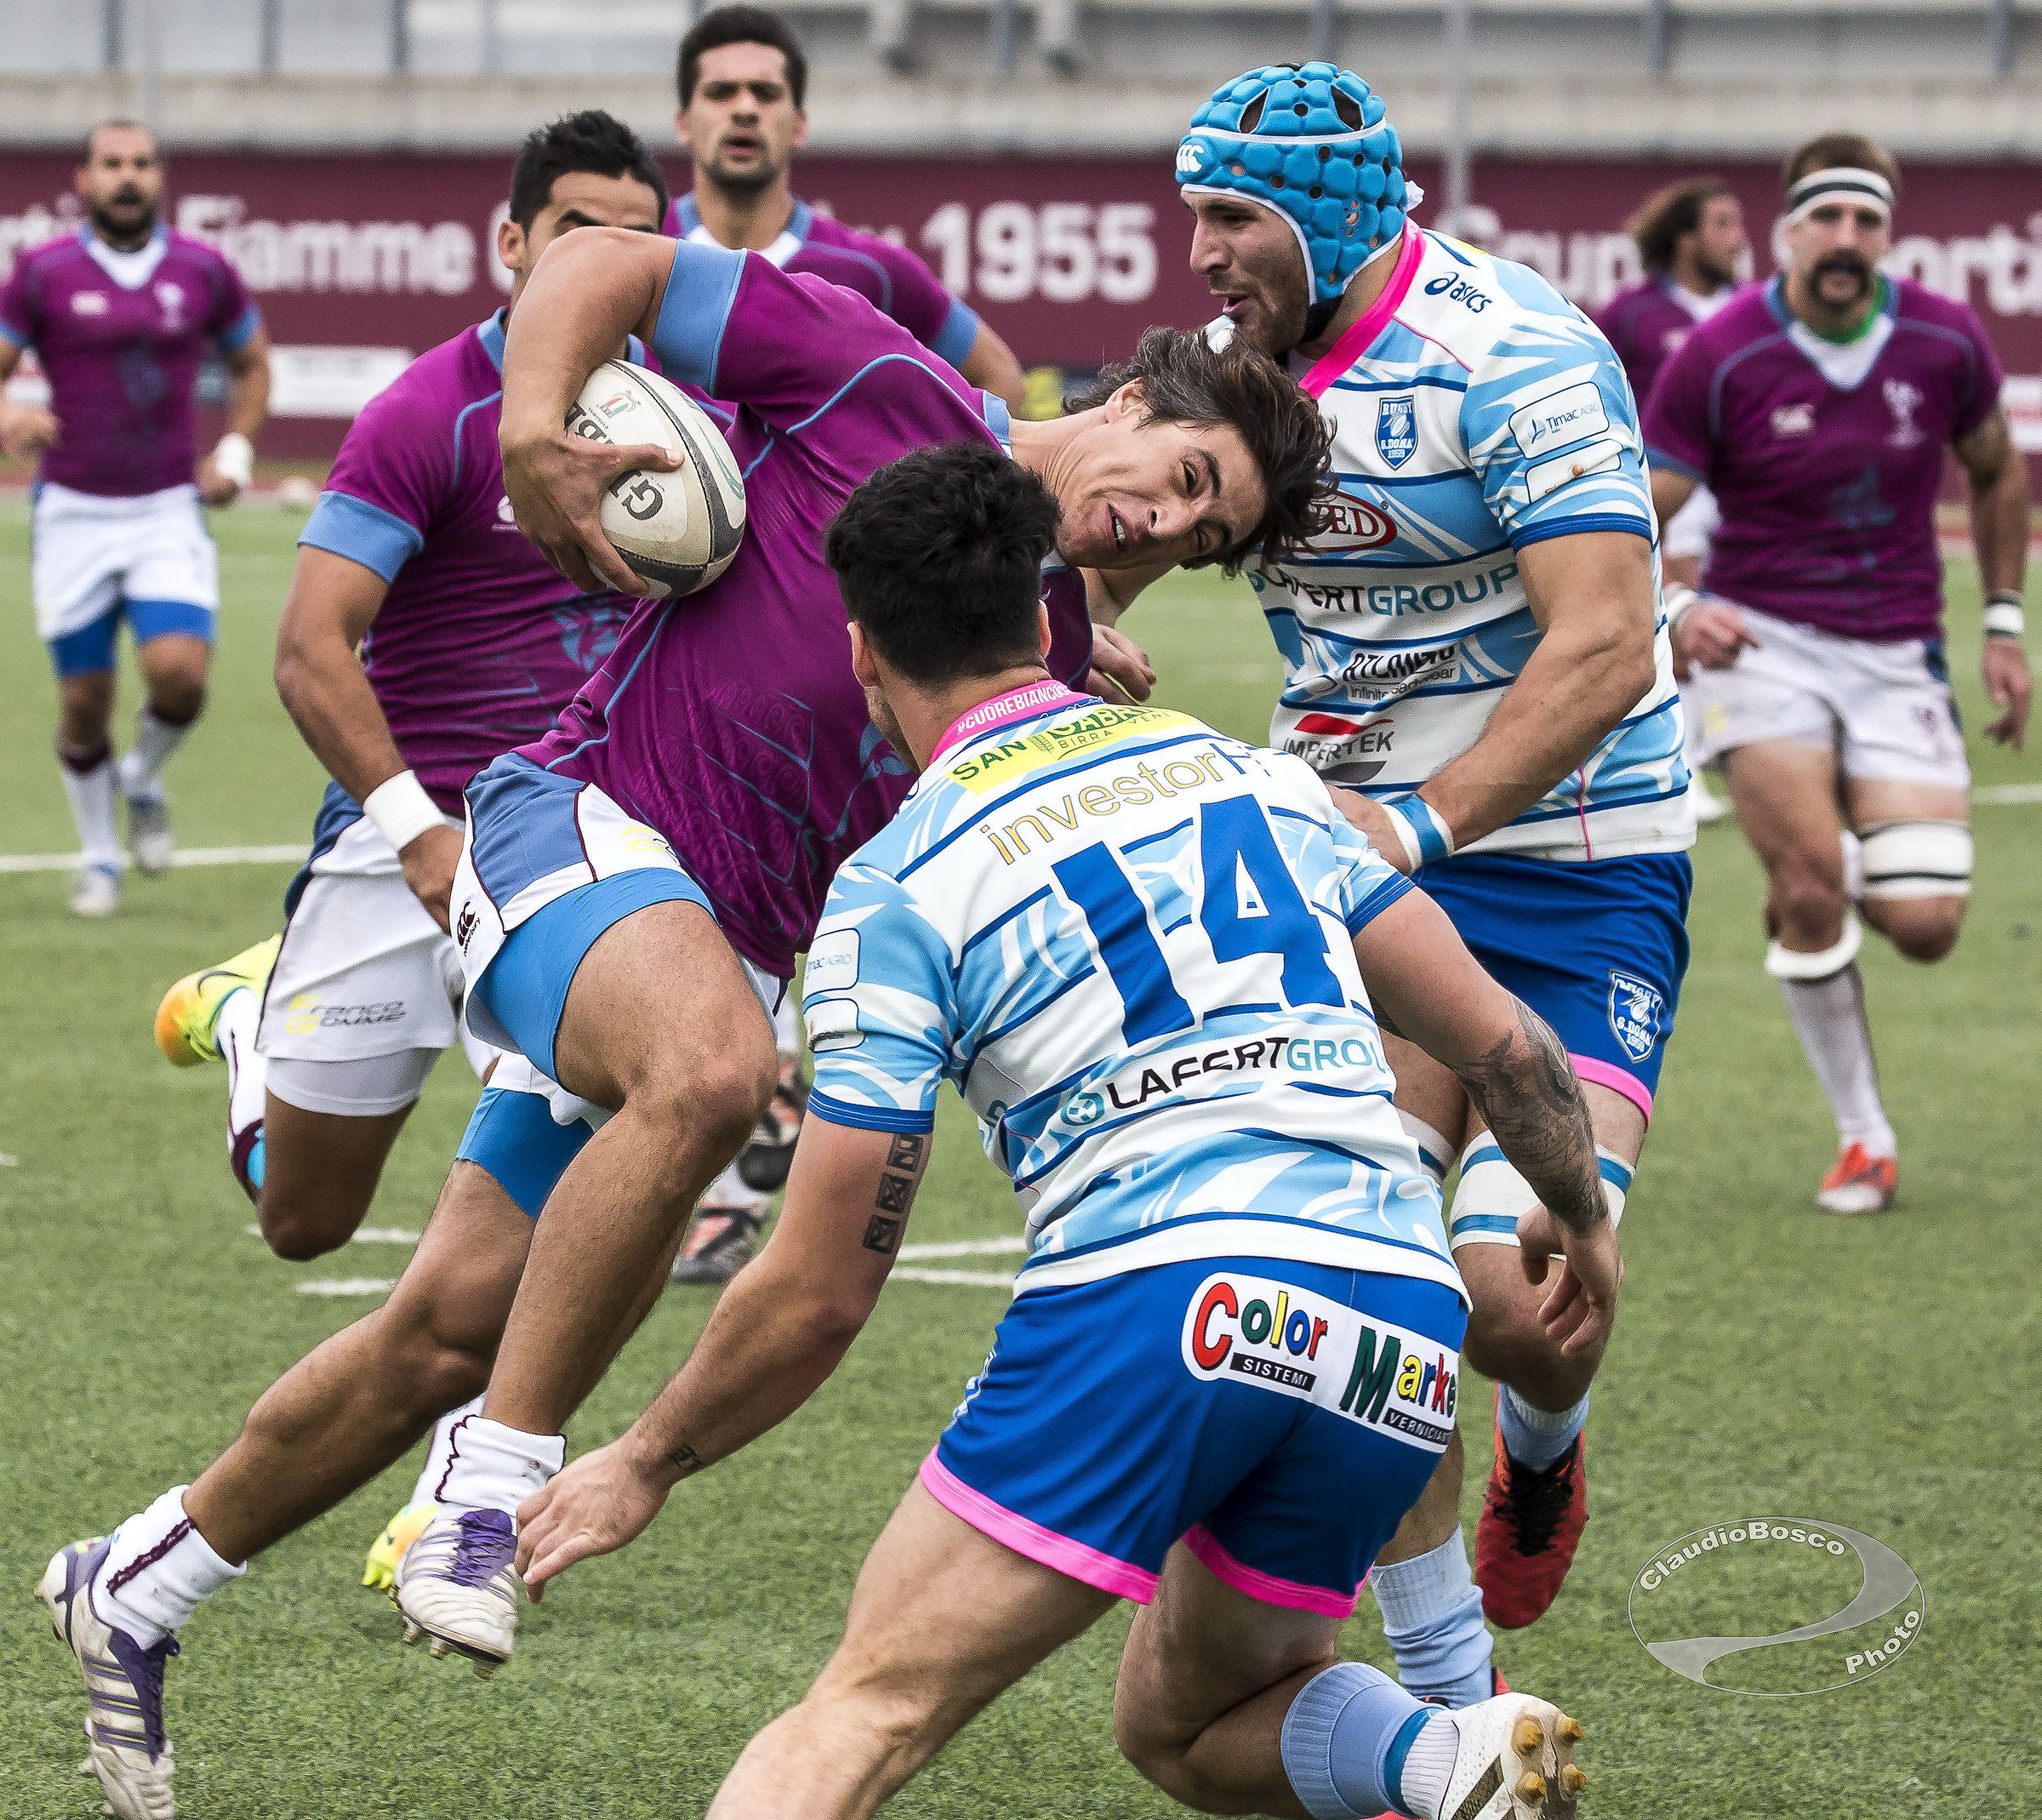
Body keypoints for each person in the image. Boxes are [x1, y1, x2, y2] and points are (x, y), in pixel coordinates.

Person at [36, 222, 1321, 1820]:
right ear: (1131, 395)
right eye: (1187, 472)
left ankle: (137, 1580)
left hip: (707, 951)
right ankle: (486, 1495)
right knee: (711, 1077)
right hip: (566, 830)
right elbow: (600, 260)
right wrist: (533, 430)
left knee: (441, 1324)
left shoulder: (1044, 644)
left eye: (1205, 530)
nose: (1165, 519)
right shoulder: (873, 371)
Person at [511, 442, 1601, 1820]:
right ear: (1044, 616)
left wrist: (643, 1457)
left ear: (861, 653)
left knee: (863, 1711)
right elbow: (1502, 1044)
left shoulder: (898, 884)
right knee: (1191, 1725)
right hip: (1392, 1320)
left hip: (1163, 1307)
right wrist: (1582, 1211)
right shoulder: (1263, 784)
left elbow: (823, 1281)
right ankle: (1447, 1753)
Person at [1097, 61, 1688, 1688]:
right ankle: (1454, 1709)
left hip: (1570, 867)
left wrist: (1421, 825)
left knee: (1512, 1300)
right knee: (1384, 1272)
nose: (1203, 252)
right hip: (1351, 868)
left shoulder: (1517, 354)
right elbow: (1107, 510)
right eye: (1195, 214)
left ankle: (1546, 1444)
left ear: (1332, 216)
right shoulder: (1231, 374)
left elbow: (1606, 645)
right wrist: (1072, 607)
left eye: (1232, 218)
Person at [145, 110, 670, 1590]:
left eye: (636, 237)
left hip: (582, 849)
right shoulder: (432, 411)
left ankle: (469, 1491)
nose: (607, 263)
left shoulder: (677, 414)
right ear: (511, 243)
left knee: (589, 1164)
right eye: (577, 230)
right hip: (405, 839)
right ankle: (252, 1022)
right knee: (305, 1221)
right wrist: (414, 828)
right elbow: (313, 652)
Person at [662, 3, 1034, 1276]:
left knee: (827, 907)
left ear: (801, 120)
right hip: (668, 630)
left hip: (853, 649)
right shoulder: (643, 262)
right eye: (722, 91)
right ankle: (726, 1143)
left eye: (767, 90)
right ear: (686, 119)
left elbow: (992, 376)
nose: (745, 110)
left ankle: (764, 1135)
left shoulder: (866, 273)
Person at [1642, 132, 2031, 1215]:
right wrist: (1676, 607)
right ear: (1789, 231)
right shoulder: (1720, 353)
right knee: (1811, 888)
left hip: (1899, 647)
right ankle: (1864, 1137)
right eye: (1828, 218)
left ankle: (1815, 860)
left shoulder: (1945, 343)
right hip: (1759, 643)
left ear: (1888, 235)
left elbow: (2000, 473)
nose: (1847, 239)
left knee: (1926, 927)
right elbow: (1631, 512)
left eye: (1867, 221)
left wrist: (2002, 622)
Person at [0, 120, 270, 917]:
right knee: (84, 703)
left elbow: (253, 363)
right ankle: (99, 857)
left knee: (180, 678)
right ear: (81, 181)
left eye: (142, 164)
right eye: (111, 164)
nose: (128, 176)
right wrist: (10, 414)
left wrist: (235, 455)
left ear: (162, 178)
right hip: (73, 512)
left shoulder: (203, 271)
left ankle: (142, 778)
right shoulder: (42, 273)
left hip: (165, 509)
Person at [1594, 178, 1749, 825]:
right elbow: (1586, 377)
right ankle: (1677, 763)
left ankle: (1710, 738)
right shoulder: (1632, 314)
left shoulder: (1750, 309)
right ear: (1685, 238)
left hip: (1741, 492)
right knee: (1679, 613)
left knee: (1724, 620)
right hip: (1667, 483)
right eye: (1723, 223)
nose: (1739, 238)